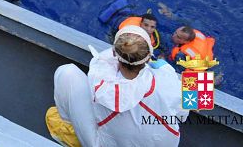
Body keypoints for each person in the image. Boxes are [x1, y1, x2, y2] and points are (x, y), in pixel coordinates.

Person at [47, 25, 187, 147]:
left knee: (67, 73)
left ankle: (69, 129)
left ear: (114, 52)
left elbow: (108, 56)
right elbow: (183, 115)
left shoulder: (100, 76)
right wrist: (168, 70)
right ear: (149, 55)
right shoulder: (168, 80)